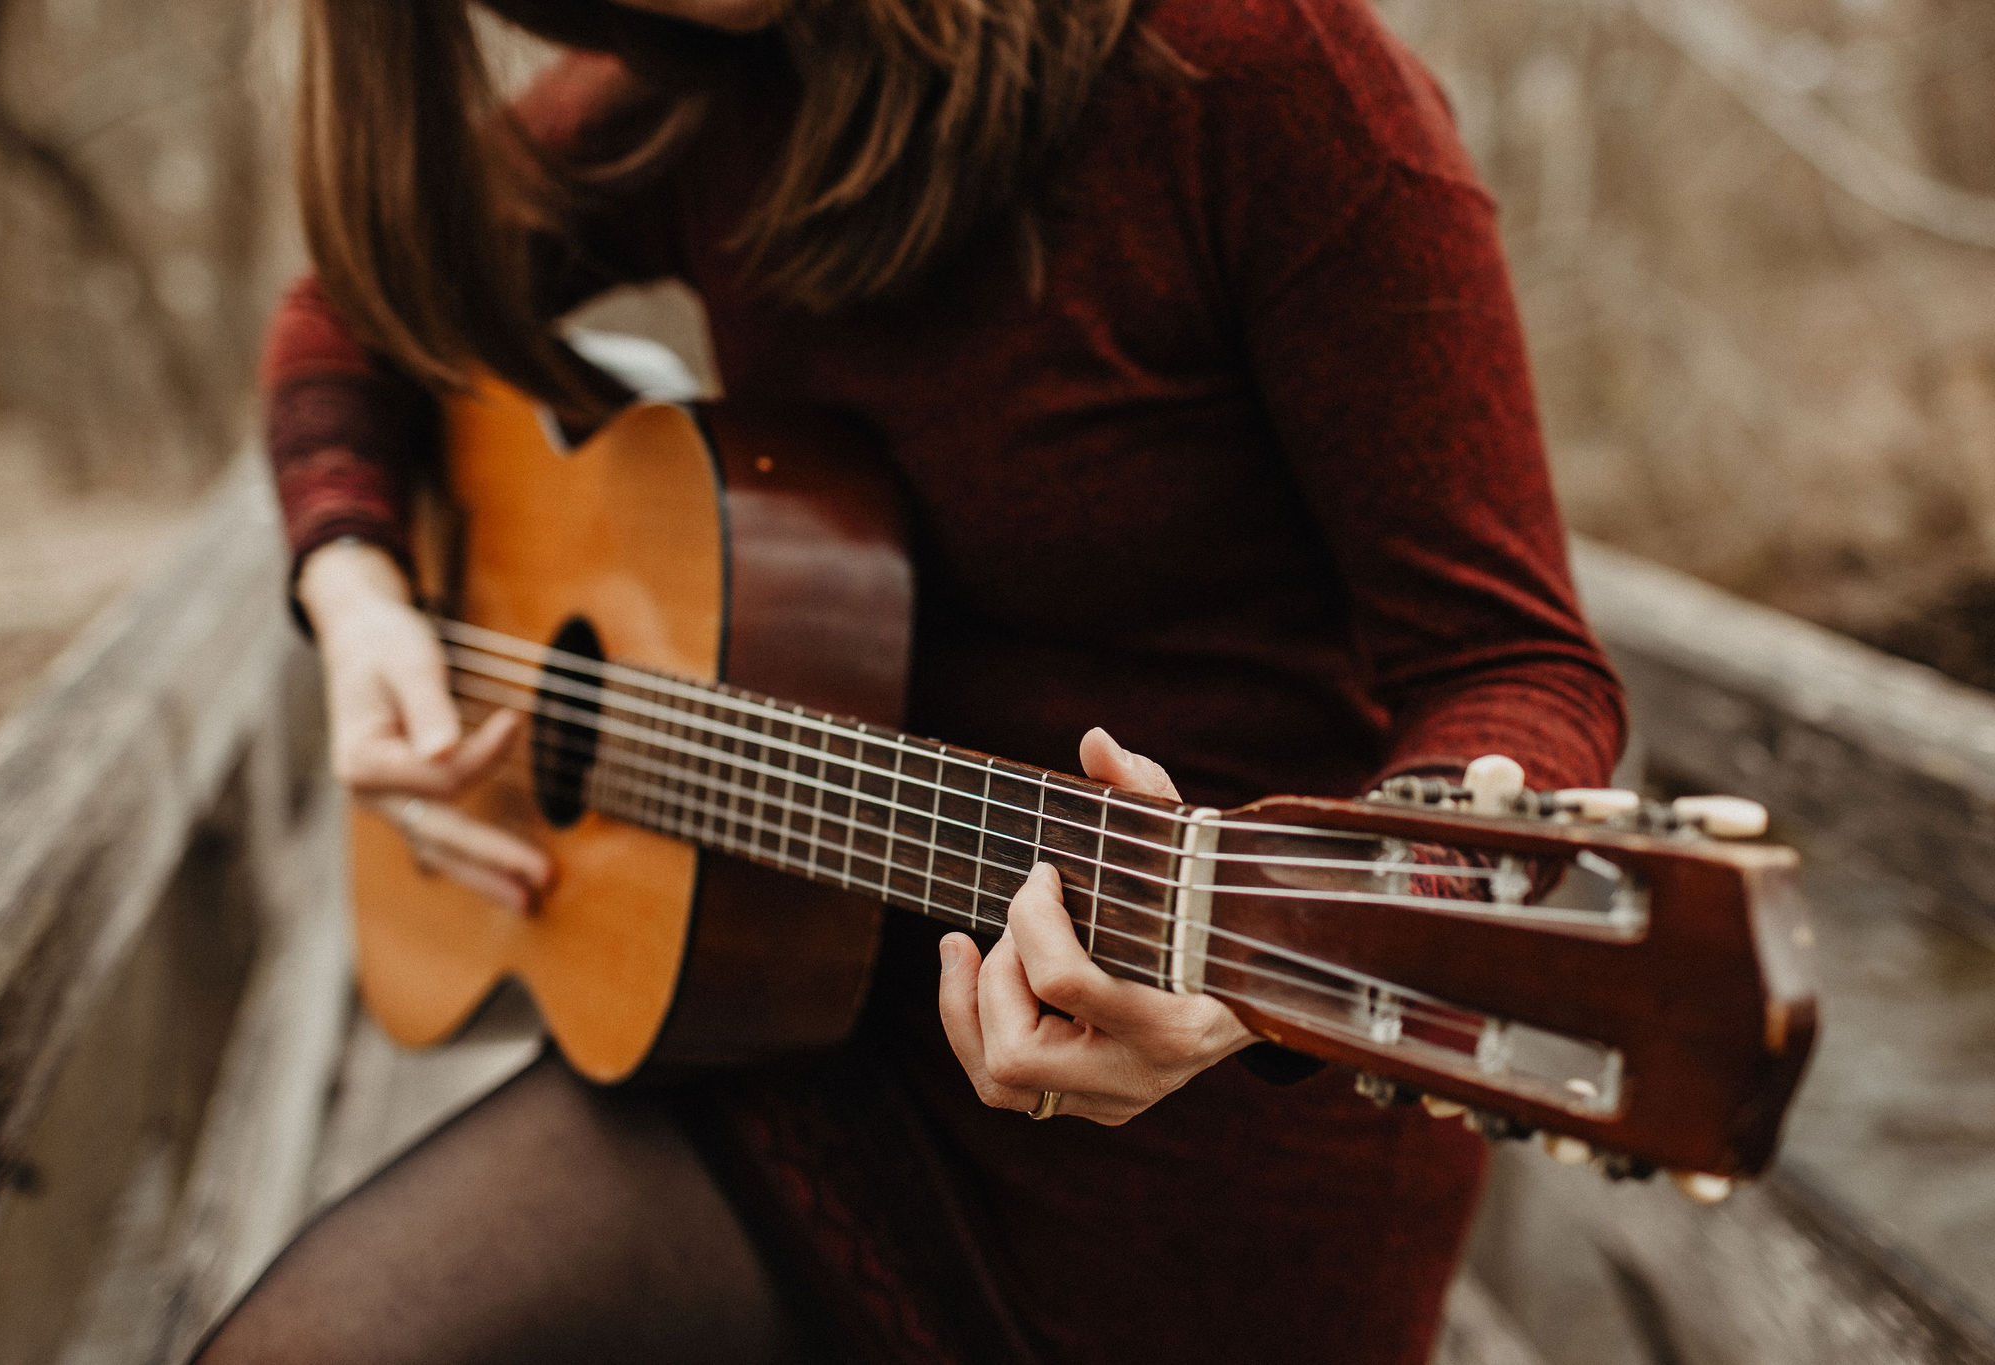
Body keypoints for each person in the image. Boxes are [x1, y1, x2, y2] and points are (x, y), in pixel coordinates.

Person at [198, 0, 1626, 1360]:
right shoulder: (701, 88)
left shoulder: (1258, 72)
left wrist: (1278, 973)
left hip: (1211, 1146)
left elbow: (1522, 669)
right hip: (805, 1033)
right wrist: (356, 587)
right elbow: (355, 303)